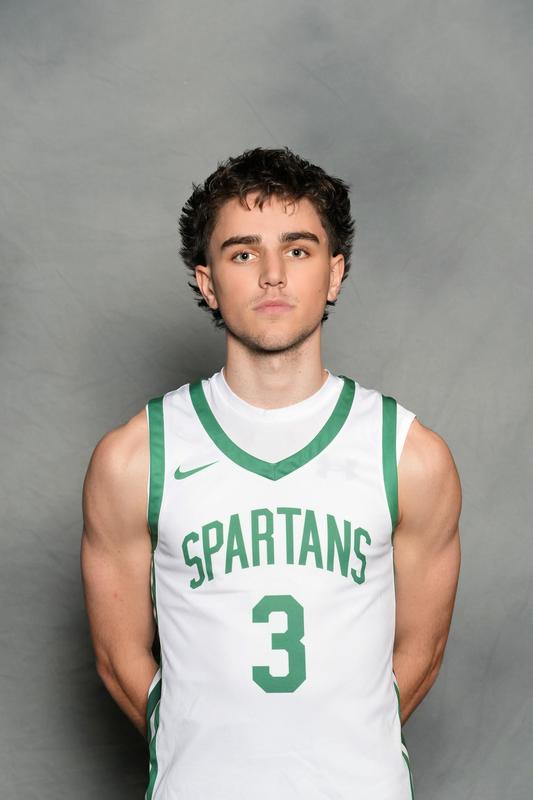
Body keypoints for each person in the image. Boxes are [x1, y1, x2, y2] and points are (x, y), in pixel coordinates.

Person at [80, 146, 462, 800]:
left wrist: (334, 748)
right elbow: (119, 663)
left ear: (333, 273)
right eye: (242, 252)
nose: (272, 275)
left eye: (298, 249)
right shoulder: (135, 457)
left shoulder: (408, 455)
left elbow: (419, 655)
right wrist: (211, 748)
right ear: (207, 281)